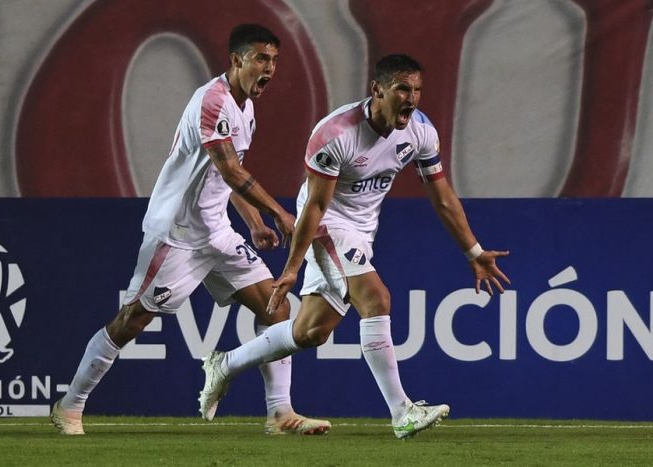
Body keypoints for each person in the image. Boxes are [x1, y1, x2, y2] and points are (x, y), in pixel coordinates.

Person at [198, 54, 511, 439]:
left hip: (362, 231)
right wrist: (293, 268)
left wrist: (474, 252)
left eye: (417, 90)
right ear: (377, 90)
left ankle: (225, 364)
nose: (411, 98)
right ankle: (402, 412)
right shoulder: (336, 134)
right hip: (327, 224)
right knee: (376, 299)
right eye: (402, 89)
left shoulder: (421, 131)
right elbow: (314, 207)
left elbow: (442, 196)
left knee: (311, 331)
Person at [50, 24, 331, 436]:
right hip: (177, 233)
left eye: (274, 60)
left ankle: (279, 413)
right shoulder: (213, 102)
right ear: (237, 61)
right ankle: (69, 405)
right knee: (132, 320)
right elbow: (231, 170)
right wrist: (277, 213)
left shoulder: (246, 108)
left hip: (216, 232)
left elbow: (224, 180)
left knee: (277, 307)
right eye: (261, 59)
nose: (270, 68)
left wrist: (252, 223)